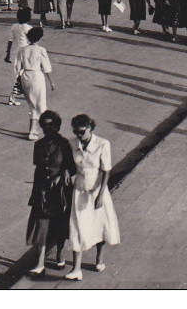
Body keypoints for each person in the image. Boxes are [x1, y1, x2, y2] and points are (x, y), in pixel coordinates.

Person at [63, 114, 120, 282]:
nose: (79, 135)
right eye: (76, 132)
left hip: (97, 191)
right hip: (79, 191)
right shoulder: (72, 144)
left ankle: (99, 259)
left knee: (100, 225)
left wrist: (101, 195)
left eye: (82, 132)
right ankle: (76, 269)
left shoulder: (103, 144)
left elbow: (106, 170)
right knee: (77, 227)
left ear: (90, 128)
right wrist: (67, 171)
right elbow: (72, 165)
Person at [27, 110, 75, 276]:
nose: (46, 128)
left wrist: (63, 174)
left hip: (60, 190)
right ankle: (40, 263)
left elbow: (72, 167)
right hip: (43, 190)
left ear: (57, 126)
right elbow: (38, 169)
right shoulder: (38, 145)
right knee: (41, 225)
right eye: (43, 125)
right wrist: (35, 192)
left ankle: (60, 254)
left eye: (50, 125)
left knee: (60, 224)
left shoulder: (64, 144)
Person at [14, 27, 57, 140]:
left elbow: (18, 67)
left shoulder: (22, 50)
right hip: (37, 77)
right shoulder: (41, 50)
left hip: (25, 77)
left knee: (32, 106)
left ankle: (32, 132)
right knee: (42, 106)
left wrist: (18, 79)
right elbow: (46, 67)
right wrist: (51, 82)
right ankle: (48, 132)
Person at [5, 8, 33, 106]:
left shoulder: (14, 27)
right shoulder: (28, 28)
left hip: (16, 53)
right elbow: (32, 41)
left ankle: (15, 95)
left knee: (17, 74)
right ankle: (14, 96)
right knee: (28, 73)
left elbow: (10, 41)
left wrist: (8, 54)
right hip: (26, 53)